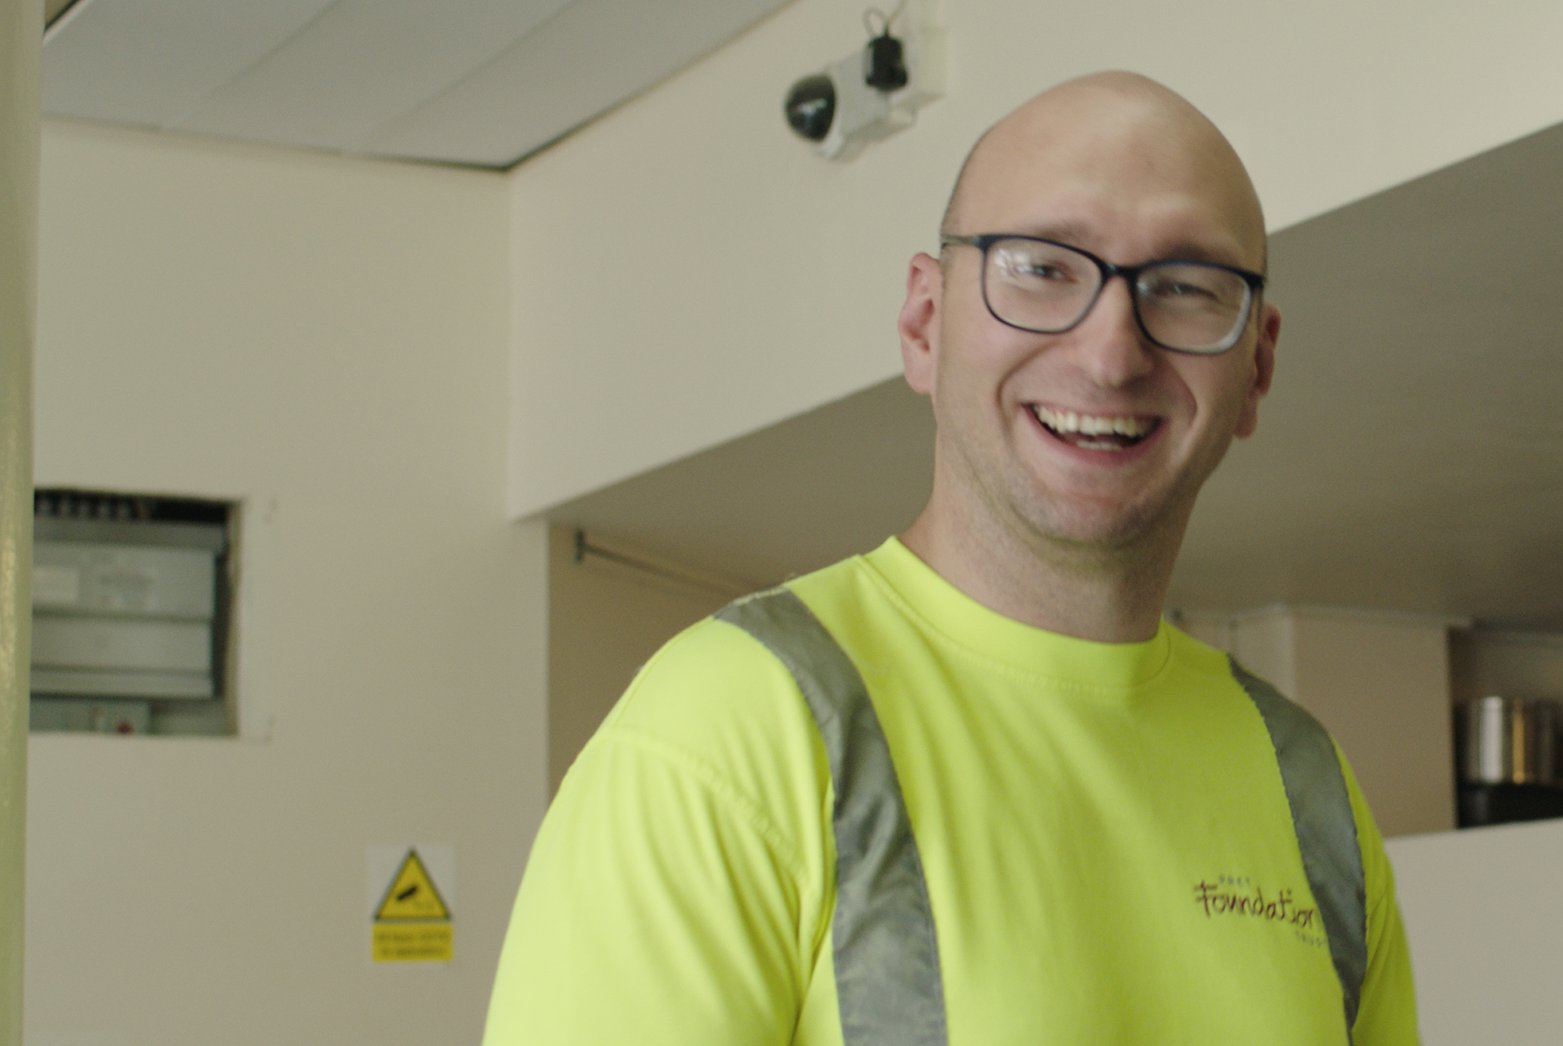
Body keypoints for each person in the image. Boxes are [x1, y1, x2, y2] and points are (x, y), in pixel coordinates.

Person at [483, 72, 1420, 1044]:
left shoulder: (1310, 788)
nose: (1111, 352)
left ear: (1256, 364)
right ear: (924, 322)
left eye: (1184, 287)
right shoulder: (729, 732)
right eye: (1042, 267)